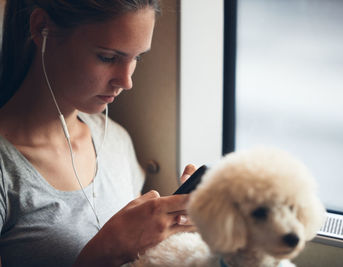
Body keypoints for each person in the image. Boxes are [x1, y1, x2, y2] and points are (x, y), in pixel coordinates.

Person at [0, 1, 196, 266]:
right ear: (41, 28)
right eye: (108, 57)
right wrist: (106, 250)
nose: (127, 82)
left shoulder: (114, 139)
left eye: (136, 58)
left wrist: (174, 224)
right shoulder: (7, 169)